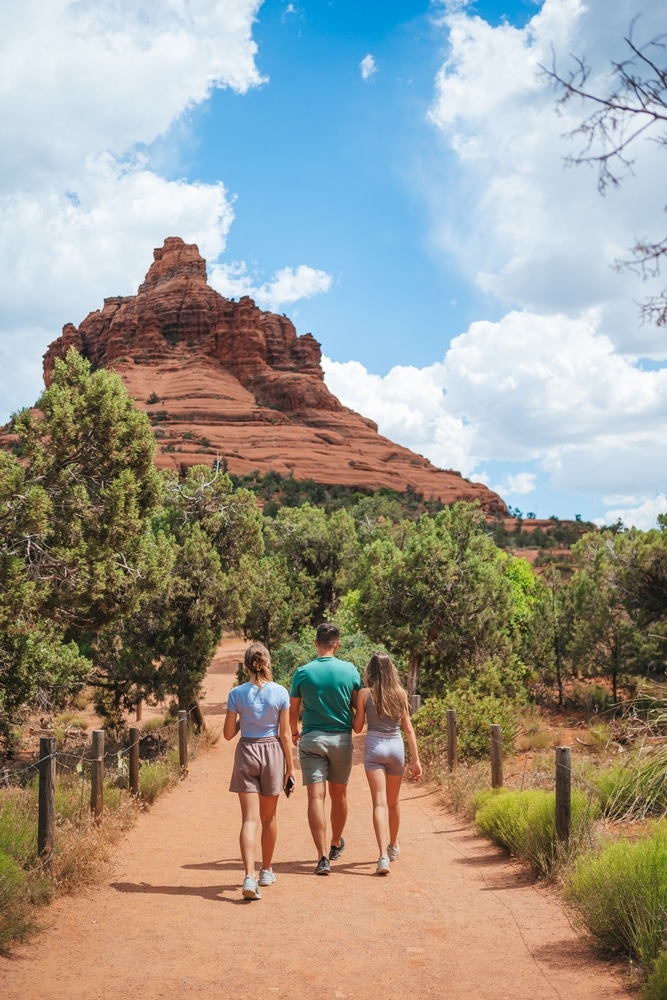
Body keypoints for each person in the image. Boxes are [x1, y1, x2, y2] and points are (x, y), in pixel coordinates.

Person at [224, 642, 295, 900]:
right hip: (273, 753)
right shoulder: (280, 693)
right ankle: (266, 870)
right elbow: (285, 734)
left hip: (247, 752)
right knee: (269, 818)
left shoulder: (237, 694)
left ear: (246, 665)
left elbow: (228, 734)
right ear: (268, 662)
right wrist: (290, 767)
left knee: (249, 820)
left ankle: (248, 876)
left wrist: (246, 717)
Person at [289, 622, 360, 875]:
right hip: (341, 739)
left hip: (312, 740)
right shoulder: (350, 670)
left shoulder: (302, 672)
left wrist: (295, 733)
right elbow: (356, 705)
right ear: (337, 644)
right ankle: (334, 843)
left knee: (315, 798)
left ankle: (321, 858)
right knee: (339, 795)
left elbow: (293, 710)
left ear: (315, 643)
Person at [353, 651, 422, 875]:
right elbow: (408, 728)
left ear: (370, 670)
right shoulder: (400, 694)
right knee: (393, 802)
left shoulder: (364, 694)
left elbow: (358, 727)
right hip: (395, 747)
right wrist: (417, 760)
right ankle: (393, 846)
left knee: (379, 804)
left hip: (374, 747)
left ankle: (383, 857)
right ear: (391, 669)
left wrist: (351, 710)